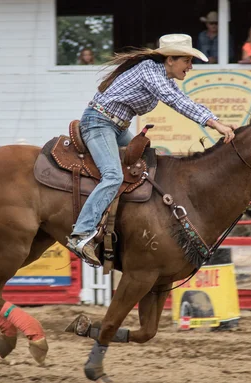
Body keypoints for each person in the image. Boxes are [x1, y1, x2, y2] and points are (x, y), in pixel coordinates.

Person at [66, 33, 236, 266]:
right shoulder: (149, 70)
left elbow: (180, 98)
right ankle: (81, 234)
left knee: (146, 164)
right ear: (170, 60)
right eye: (187, 60)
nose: (190, 67)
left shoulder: (163, 77)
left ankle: (125, 226)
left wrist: (217, 121)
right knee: (113, 175)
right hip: (99, 123)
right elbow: (177, 102)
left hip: (115, 126)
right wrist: (215, 124)